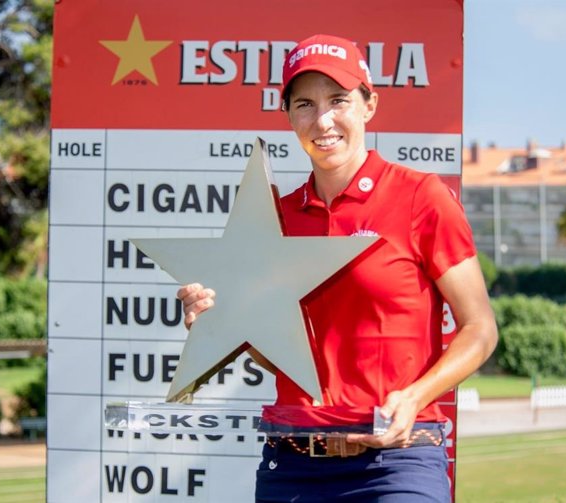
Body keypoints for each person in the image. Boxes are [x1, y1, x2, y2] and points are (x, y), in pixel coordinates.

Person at [178, 34, 497, 503]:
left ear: (369, 105)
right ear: (287, 114)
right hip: (291, 464)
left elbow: (480, 329)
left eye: (339, 100)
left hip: (398, 465)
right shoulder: (274, 221)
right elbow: (280, 353)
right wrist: (223, 325)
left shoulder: (420, 198)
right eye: (304, 103)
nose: (323, 120)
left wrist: (414, 396)